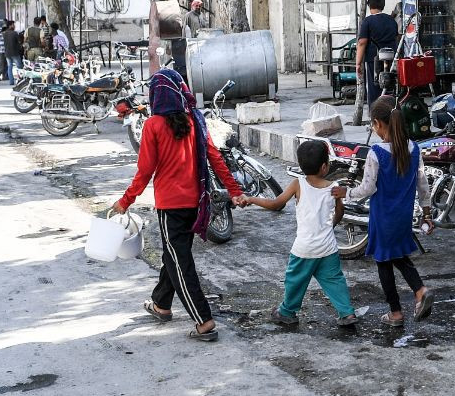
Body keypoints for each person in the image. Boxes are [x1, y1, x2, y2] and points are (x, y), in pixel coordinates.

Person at [109, 68, 244, 342]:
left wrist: (125, 201)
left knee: (181, 263)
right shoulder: (194, 121)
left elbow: (145, 171)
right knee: (174, 255)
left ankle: (204, 321)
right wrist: (234, 190)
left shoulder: (153, 125)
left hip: (171, 206)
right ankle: (161, 304)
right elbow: (215, 158)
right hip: (195, 203)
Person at [336, 96, 435, 327]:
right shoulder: (414, 148)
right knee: (399, 256)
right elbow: (423, 184)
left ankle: (396, 312)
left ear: (379, 124)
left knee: (383, 262)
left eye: (372, 124)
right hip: (402, 216)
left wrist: (346, 193)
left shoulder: (376, 153)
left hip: (382, 217)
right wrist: (427, 213)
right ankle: (419, 291)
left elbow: (368, 188)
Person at [241, 139, 361, 327]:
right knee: (334, 280)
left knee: (295, 280)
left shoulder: (298, 184)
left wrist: (251, 199)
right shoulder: (334, 187)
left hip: (304, 249)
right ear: (324, 167)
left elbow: (276, 204)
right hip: (328, 247)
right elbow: (340, 212)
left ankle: (287, 311)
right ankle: (346, 313)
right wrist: (330, 226)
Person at [357, 0, 400, 106]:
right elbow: (396, 38)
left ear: (369, 6)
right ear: (383, 5)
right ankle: (391, 110)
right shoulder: (391, 20)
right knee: (390, 84)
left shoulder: (367, 21)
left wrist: (358, 63)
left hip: (373, 59)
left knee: (374, 86)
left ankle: (376, 116)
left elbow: (362, 43)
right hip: (391, 57)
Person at [2, 20, 24, 84]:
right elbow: (19, 42)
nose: (14, 26)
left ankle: (11, 81)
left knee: (9, 67)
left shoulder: (5, 33)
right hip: (15, 52)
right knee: (19, 67)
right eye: (13, 25)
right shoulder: (14, 33)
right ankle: (20, 80)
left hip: (7, 53)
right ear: (10, 25)